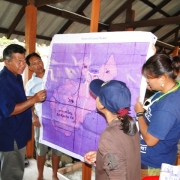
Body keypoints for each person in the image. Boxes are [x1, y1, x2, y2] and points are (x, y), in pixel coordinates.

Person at [0, 44, 46, 180]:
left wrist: (35, 97)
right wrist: (34, 100)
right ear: (7, 62)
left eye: (23, 61)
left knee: (17, 168)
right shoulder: (4, 81)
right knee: (12, 173)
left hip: (19, 132)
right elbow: (10, 110)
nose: (23, 65)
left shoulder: (16, 77)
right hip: (11, 135)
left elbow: (19, 99)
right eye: (18, 61)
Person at [84, 79, 140, 180]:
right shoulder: (129, 123)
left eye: (98, 96)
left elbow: (117, 176)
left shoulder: (109, 136)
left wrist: (109, 150)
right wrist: (102, 157)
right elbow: (123, 155)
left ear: (102, 105)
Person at [134, 54, 180, 178]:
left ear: (162, 78)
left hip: (152, 164)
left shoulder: (167, 108)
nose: (147, 81)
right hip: (162, 156)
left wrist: (139, 114)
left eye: (149, 77)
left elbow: (150, 140)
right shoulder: (172, 88)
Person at [25, 52, 61, 180]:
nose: (38, 65)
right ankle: (40, 176)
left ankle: (55, 175)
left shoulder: (55, 76)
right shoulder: (30, 84)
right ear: (30, 67)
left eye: (39, 61)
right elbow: (28, 103)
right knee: (41, 151)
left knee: (57, 150)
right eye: (34, 64)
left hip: (58, 120)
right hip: (41, 121)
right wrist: (33, 116)